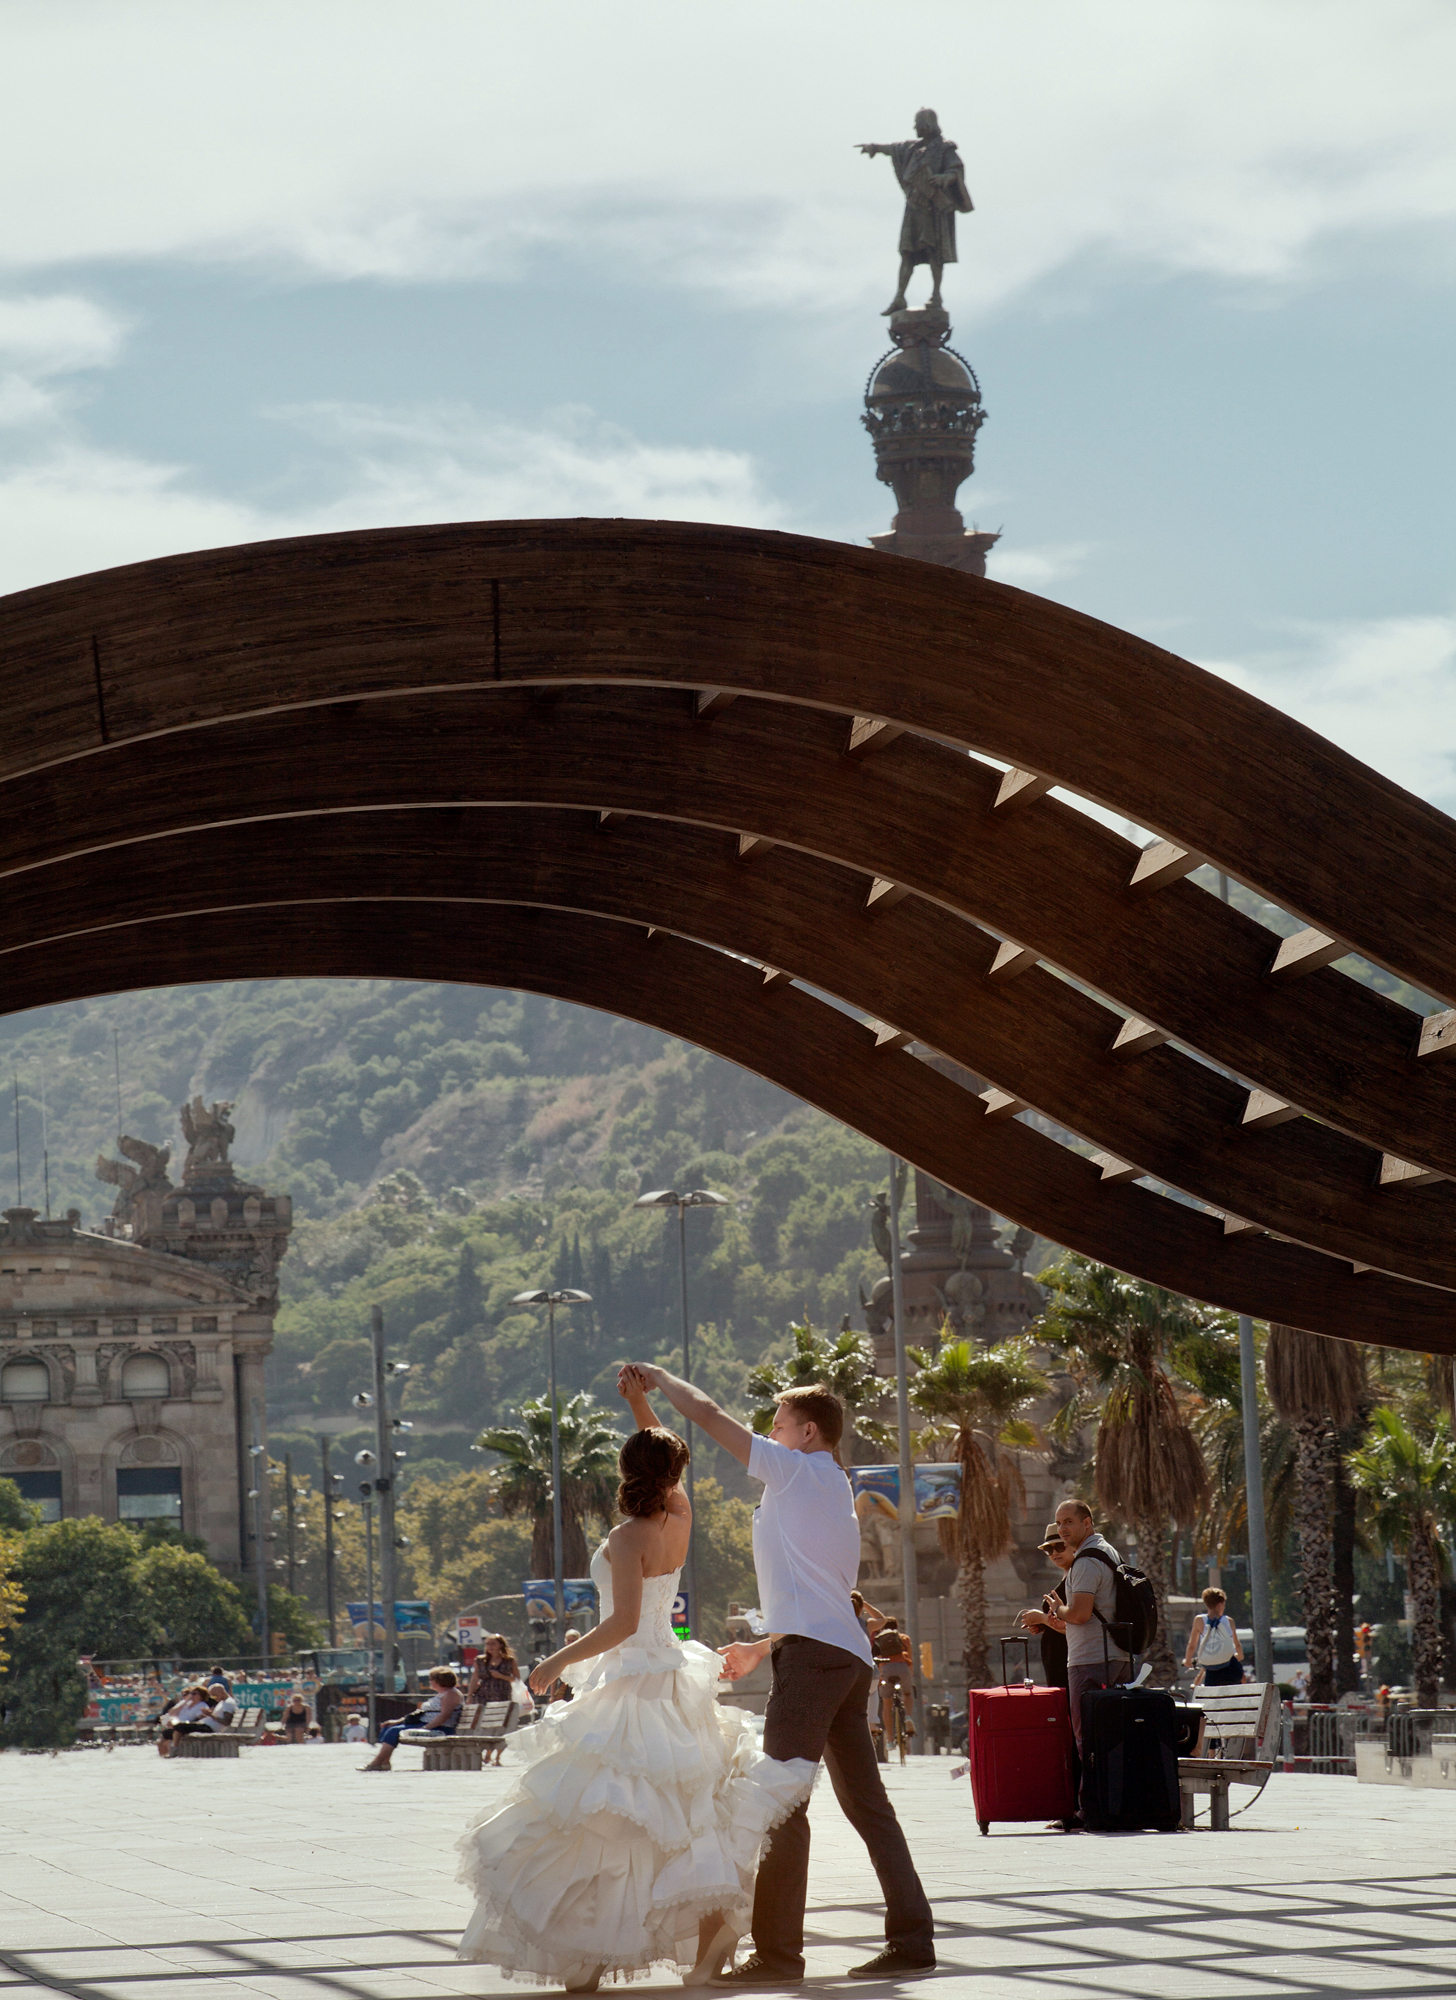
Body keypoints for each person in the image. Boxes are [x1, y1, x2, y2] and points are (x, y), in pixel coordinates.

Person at [457, 1368, 814, 1994]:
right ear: (671, 1476)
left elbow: (622, 1622)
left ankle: (597, 1946)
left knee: (609, 1816)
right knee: (677, 1813)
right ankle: (694, 1936)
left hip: (632, 1679)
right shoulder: (678, 1518)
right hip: (670, 1675)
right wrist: (640, 1405)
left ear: (625, 1472)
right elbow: (665, 1463)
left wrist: (556, 1661)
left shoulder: (628, 1538)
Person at [629, 1362, 934, 1986]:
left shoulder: (797, 1471)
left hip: (816, 1661)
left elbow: (708, 1415)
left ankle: (777, 1955)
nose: (770, 1434)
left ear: (809, 1432)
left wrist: (658, 1377)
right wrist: (765, 1645)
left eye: (779, 1424)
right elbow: (818, 1594)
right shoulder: (823, 1485)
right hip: (839, 1655)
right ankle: (912, 1939)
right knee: (869, 1809)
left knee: (779, 1805)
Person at [1018, 1501, 1130, 1753]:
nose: (1063, 1530)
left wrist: (1056, 1611)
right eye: (1059, 1523)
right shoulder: (1106, 1552)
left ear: (1087, 1523)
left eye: (1068, 1522)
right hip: (1112, 1656)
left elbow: (1079, 1615)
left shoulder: (1086, 1562)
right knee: (1110, 1739)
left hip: (1090, 1661)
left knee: (1088, 1741)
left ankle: (1092, 1781)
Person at [361, 1667, 463, 1771]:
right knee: (388, 1727)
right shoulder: (442, 1694)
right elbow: (420, 1713)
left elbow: (444, 1716)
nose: (430, 1682)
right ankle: (384, 1762)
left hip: (440, 1728)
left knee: (394, 1731)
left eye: (431, 1679)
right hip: (426, 1725)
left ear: (439, 1681)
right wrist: (397, 1721)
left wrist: (426, 1728)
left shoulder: (451, 1694)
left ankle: (377, 1762)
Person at [1018, 1525, 1075, 1691]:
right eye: (1049, 1550)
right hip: (1060, 1664)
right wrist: (1044, 1625)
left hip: (1070, 1663)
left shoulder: (1078, 1578)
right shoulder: (1068, 1575)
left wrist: (1042, 1618)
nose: (1055, 1553)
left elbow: (1077, 1626)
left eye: (1060, 1546)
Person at [466, 1633, 522, 1765]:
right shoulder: (480, 1660)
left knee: (501, 1727)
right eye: (487, 1644)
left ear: (500, 1645)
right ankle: (487, 1753)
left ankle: (497, 1756)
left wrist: (501, 1676)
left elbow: (517, 1679)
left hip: (502, 1696)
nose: (490, 1647)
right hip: (484, 1696)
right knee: (485, 1726)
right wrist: (470, 1695)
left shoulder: (509, 1661)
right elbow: (475, 1678)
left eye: (493, 1644)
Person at [1185, 1587, 1244, 1686]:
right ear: (1220, 1604)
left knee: (1210, 1690)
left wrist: (1187, 1660)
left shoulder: (1199, 1620)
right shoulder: (1229, 1621)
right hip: (1232, 1670)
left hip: (1212, 1674)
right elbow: (1237, 1645)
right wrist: (1239, 1656)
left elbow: (1192, 1645)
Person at [871, 1618, 913, 1745]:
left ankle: (890, 1739)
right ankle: (908, 1717)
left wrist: (880, 1678)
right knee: (907, 1694)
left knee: (887, 1704)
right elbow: (910, 1659)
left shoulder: (879, 1639)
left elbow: (877, 1659)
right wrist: (909, 1675)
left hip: (886, 1670)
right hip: (903, 1668)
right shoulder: (904, 1638)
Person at [156, 1685, 215, 1756]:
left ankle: (175, 1748)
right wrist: (185, 1701)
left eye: (194, 1693)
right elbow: (171, 1712)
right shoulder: (185, 1703)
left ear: (201, 1696)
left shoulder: (202, 1706)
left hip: (184, 1725)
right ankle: (164, 1755)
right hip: (175, 1724)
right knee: (160, 1742)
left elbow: (198, 1719)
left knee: (178, 1728)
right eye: (191, 1693)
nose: (191, 1695)